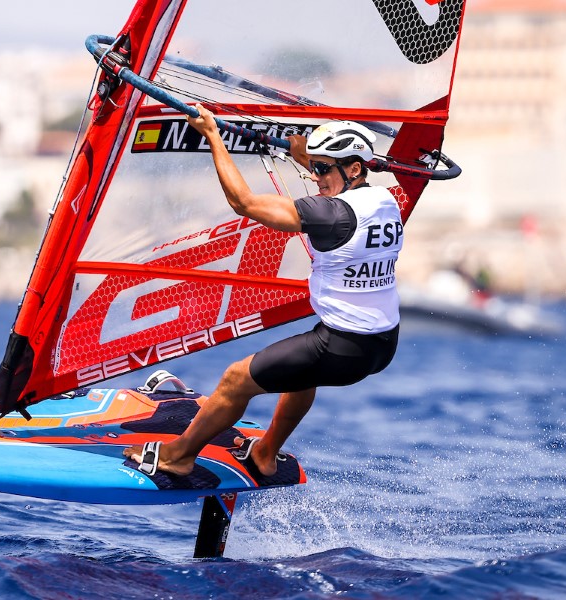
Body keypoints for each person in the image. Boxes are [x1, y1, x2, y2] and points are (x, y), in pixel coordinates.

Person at [124, 105, 403, 477]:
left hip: (342, 347)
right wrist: (304, 155)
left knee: (236, 379)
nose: (316, 176)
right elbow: (336, 194)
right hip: (382, 344)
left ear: (354, 169)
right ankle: (265, 452)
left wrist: (212, 135)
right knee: (302, 372)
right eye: (315, 167)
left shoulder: (332, 215)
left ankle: (178, 456)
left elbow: (245, 203)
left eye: (323, 169)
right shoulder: (385, 202)